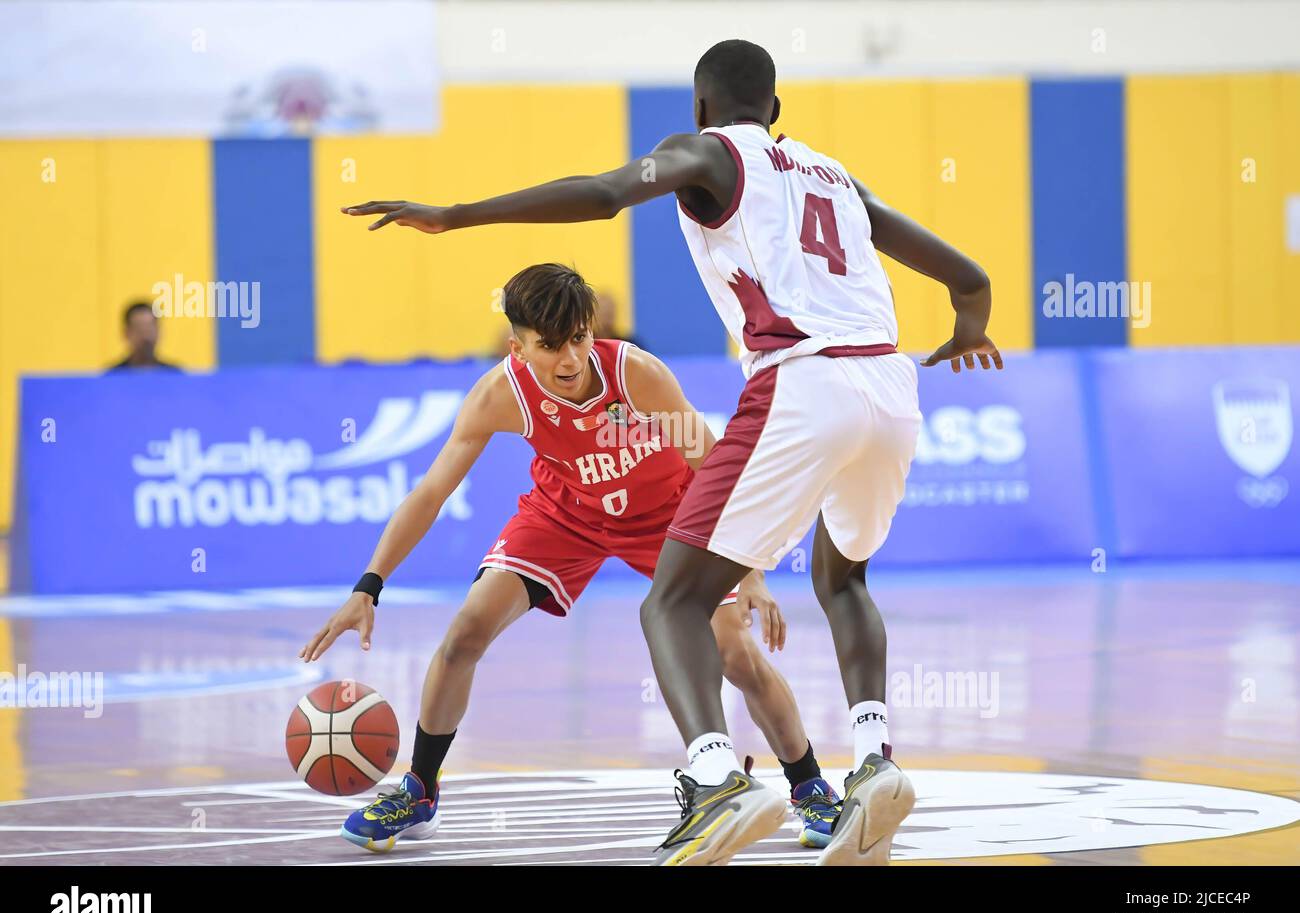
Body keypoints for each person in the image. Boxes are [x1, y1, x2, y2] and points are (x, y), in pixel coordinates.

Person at [340, 39, 1002, 866]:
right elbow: (968, 278)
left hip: (791, 392)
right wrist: (969, 331)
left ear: (697, 108)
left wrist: (457, 215)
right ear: (778, 111)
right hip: (889, 386)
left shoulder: (703, 161)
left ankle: (733, 780)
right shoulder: (835, 176)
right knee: (843, 578)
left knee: (680, 612)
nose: (568, 354)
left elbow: (603, 194)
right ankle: (875, 758)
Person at [302, 263, 842, 853]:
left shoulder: (636, 374)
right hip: (565, 517)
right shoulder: (499, 394)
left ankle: (808, 785)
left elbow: (713, 469)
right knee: (465, 633)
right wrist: (368, 585)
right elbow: (432, 492)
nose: (568, 359)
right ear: (519, 345)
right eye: (548, 345)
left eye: (578, 339)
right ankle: (419, 791)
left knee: (736, 653)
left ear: (593, 329)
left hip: (671, 516)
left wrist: (753, 570)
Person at [107, 301, 182, 371]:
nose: (146, 336)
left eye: (150, 328)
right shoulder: (112, 379)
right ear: (126, 333)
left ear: (159, 331)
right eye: (140, 329)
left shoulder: (174, 377)